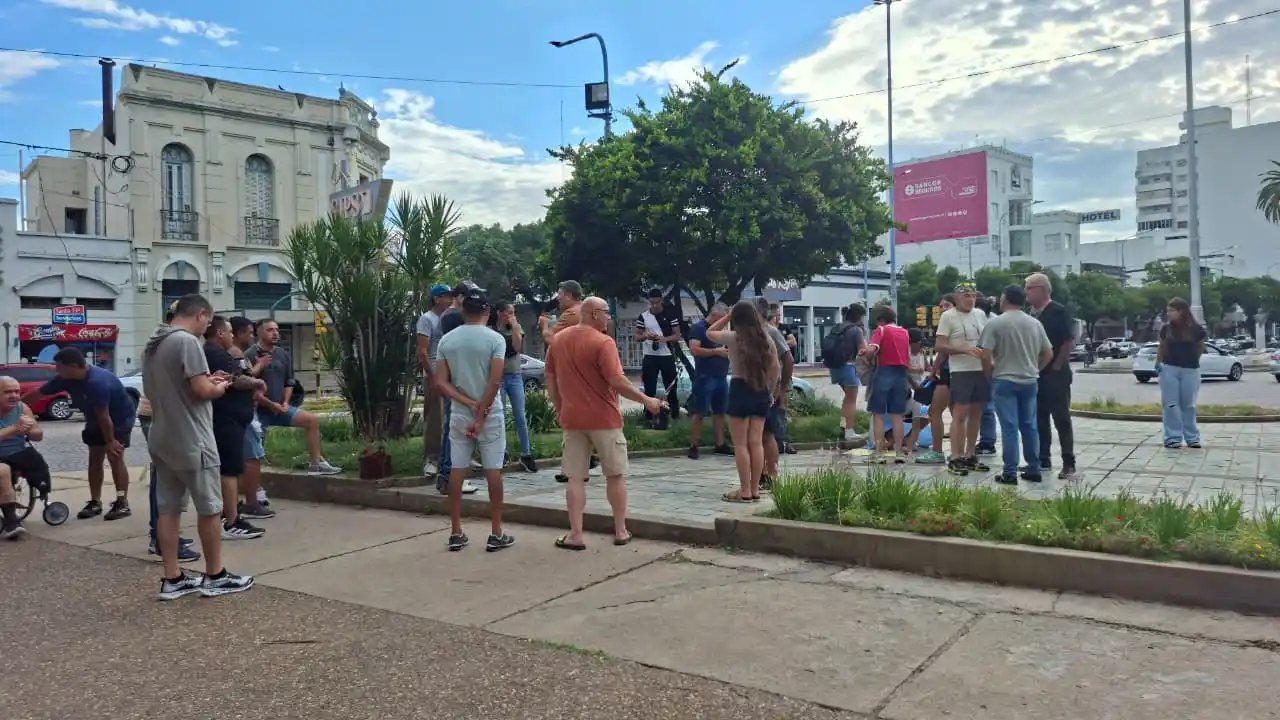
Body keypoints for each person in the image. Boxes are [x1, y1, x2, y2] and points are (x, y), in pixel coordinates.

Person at [144, 293, 253, 600]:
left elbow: (180, 385)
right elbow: (202, 390)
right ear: (202, 314)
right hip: (192, 437)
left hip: (162, 434)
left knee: (168, 508)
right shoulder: (187, 342)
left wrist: (207, 379)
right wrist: (221, 385)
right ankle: (215, 575)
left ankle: (172, 578)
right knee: (210, 508)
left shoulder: (154, 343)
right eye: (208, 320)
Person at [545, 296, 665, 549]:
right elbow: (617, 381)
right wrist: (647, 400)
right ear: (594, 314)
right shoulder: (603, 342)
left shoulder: (558, 341)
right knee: (615, 475)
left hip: (573, 419)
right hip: (604, 419)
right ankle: (620, 531)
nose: (609, 317)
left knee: (575, 477)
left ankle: (576, 534)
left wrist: (560, 408)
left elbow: (551, 378)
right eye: (606, 313)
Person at [435, 284, 515, 552]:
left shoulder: (447, 340)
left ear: (463, 310)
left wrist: (468, 403)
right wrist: (481, 412)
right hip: (490, 414)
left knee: (457, 469)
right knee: (493, 470)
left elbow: (441, 383)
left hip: (459, 413)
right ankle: (496, 532)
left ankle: (456, 531)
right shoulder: (495, 340)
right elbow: (494, 381)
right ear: (488, 311)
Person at [23, 346, 136, 521]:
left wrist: (111, 440)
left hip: (119, 420)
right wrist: (13, 409)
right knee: (94, 458)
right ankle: (95, 501)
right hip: (94, 419)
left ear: (74, 366)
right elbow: (36, 395)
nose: (56, 369)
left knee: (115, 457)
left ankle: (122, 502)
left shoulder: (97, 382)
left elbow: (104, 417)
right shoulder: (64, 379)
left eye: (60, 366)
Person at [706, 301, 779, 503]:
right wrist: (771, 392)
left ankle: (744, 490)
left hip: (739, 389)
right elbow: (775, 369)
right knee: (756, 442)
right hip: (761, 391)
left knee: (740, 445)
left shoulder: (734, 338)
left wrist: (728, 316)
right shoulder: (767, 339)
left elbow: (709, 333)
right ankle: (755, 489)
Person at [247, 319, 341, 476]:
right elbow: (250, 388)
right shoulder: (250, 354)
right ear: (259, 332)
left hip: (280, 407)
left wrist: (285, 402)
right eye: (270, 330)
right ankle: (254, 481)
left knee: (311, 421)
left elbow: (289, 381)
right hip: (259, 411)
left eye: (276, 329)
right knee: (254, 446)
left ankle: (316, 464)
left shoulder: (282, 353)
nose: (275, 333)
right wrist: (271, 404)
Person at [979, 285, 1053, 485]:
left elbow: (985, 354)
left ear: (1004, 299)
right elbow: (1048, 353)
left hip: (1004, 380)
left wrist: (989, 374)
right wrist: (1035, 369)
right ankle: (1033, 468)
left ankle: (1009, 472)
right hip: (1029, 381)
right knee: (1029, 425)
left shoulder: (995, 323)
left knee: (1009, 427)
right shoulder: (1034, 323)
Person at [204, 315, 267, 540]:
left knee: (232, 469)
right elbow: (236, 379)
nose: (232, 335)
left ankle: (231, 515)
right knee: (229, 471)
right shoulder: (213, 353)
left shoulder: (222, 354)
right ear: (220, 333)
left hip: (235, 420)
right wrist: (257, 382)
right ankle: (229, 521)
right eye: (229, 331)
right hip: (225, 420)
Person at [540, 280, 602, 483]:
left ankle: (573, 468)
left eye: (560, 294)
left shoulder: (570, 314)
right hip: (587, 372)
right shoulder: (586, 312)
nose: (558, 298)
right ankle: (584, 461)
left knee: (569, 417)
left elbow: (553, 340)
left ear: (568, 295)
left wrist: (544, 325)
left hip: (570, 373)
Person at [1025, 272, 1077, 478]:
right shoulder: (1030, 314)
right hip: (1035, 373)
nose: (1026, 293)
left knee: (1061, 418)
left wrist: (1057, 364)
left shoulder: (1058, 311)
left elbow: (1067, 341)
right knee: (1039, 418)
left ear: (1042, 289)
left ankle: (1068, 462)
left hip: (1055, 374)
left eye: (1029, 288)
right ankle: (1042, 459)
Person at [935, 282, 990, 476]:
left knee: (976, 414)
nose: (971, 299)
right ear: (956, 297)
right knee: (960, 414)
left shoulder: (981, 314)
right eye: (966, 295)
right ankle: (955, 456)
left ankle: (969, 454)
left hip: (980, 369)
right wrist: (964, 350)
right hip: (961, 371)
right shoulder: (948, 316)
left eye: (973, 295)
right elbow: (940, 345)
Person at [229, 316, 274, 519]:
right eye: (248, 332)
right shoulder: (236, 354)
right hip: (243, 413)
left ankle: (241, 501)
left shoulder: (236, 353)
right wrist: (258, 378)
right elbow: (241, 378)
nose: (251, 336)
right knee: (252, 456)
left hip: (245, 411)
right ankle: (251, 503)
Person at [490, 301, 537, 472]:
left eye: (513, 312)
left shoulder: (515, 328)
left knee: (520, 416)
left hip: (515, 376)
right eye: (509, 312)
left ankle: (526, 454)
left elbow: (517, 346)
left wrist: (515, 325)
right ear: (500, 313)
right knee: (499, 415)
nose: (512, 315)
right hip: (499, 377)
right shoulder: (491, 330)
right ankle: (502, 453)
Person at [860, 306, 911, 463]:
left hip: (884, 373)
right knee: (897, 416)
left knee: (878, 415)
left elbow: (872, 350)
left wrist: (864, 351)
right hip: (901, 375)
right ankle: (899, 452)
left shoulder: (880, 330)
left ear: (879, 319)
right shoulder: (904, 332)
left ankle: (879, 453)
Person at [0, 375, 49, 539]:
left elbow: (38, 435)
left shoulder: (22, 408)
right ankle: (11, 522)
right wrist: (15, 428)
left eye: (17, 391)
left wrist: (30, 430)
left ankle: (43, 491)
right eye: (8, 392)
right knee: (3, 471)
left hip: (17, 453)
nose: (14, 395)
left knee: (36, 461)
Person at [1156, 297, 1207, 449]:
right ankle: (1173, 438)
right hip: (1169, 368)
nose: (1169, 313)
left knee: (1189, 405)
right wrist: (1158, 363)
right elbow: (1161, 346)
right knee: (1171, 404)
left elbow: (1200, 347)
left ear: (1181, 311)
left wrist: (1192, 360)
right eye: (1168, 311)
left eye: (1172, 310)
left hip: (1190, 369)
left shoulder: (1196, 329)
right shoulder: (1166, 328)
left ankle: (1192, 438)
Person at [754, 297, 794, 489]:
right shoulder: (751, 333)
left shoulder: (771, 331)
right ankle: (761, 473)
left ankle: (772, 473)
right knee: (758, 435)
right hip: (754, 389)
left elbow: (788, 359)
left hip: (769, 390)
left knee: (767, 433)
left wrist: (782, 387)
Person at [417, 283, 454, 478]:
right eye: (447, 296)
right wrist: (432, 377)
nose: (450, 300)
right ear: (437, 298)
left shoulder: (451, 318)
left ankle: (452, 455)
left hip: (450, 374)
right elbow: (422, 352)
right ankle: (431, 459)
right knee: (435, 418)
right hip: (434, 374)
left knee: (453, 417)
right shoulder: (427, 319)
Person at [687, 303, 732, 459]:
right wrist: (716, 351)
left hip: (721, 375)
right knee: (700, 412)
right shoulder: (699, 328)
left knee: (720, 412)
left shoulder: (721, 331)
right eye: (721, 319)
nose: (723, 324)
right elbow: (694, 350)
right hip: (705, 376)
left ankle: (720, 444)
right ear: (714, 315)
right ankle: (694, 445)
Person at [635, 288, 683, 429]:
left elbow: (677, 335)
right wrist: (646, 336)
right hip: (650, 355)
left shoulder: (670, 315)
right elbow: (637, 336)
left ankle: (674, 414)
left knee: (671, 386)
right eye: (651, 303)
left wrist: (664, 339)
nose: (654, 306)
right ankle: (648, 417)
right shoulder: (643, 316)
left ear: (661, 300)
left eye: (656, 303)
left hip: (666, 355)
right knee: (649, 387)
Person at [822, 303, 866, 444]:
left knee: (847, 397)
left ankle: (844, 424)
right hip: (848, 366)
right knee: (851, 399)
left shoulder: (837, 327)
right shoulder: (856, 330)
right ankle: (849, 431)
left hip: (834, 366)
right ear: (859, 317)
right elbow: (862, 350)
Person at [925, 295, 956, 465]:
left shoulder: (949, 322)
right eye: (941, 305)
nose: (943, 308)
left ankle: (937, 451)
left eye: (947, 304)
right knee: (956, 413)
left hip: (947, 372)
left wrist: (934, 369)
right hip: (960, 372)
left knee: (934, 411)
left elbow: (943, 351)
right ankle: (958, 451)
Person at [972, 296, 999, 457]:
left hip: (990, 366)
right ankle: (983, 440)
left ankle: (988, 442)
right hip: (977, 366)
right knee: (979, 407)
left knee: (987, 407)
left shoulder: (992, 322)